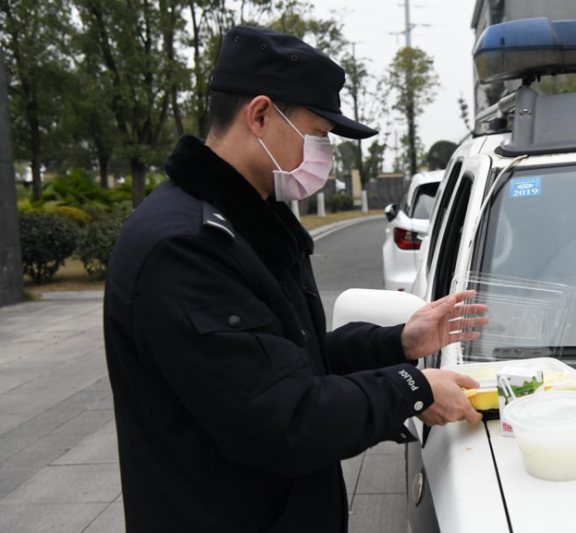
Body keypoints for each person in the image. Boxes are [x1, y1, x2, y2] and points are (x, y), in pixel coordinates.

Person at [103, 26, 488, 532]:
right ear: (260, 115)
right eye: (319, 134)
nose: (325, 151)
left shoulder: (253, 220)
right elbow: (281, 417)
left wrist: (397, 342)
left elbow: (289, 360)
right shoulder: (185, 249)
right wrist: (411, 389)